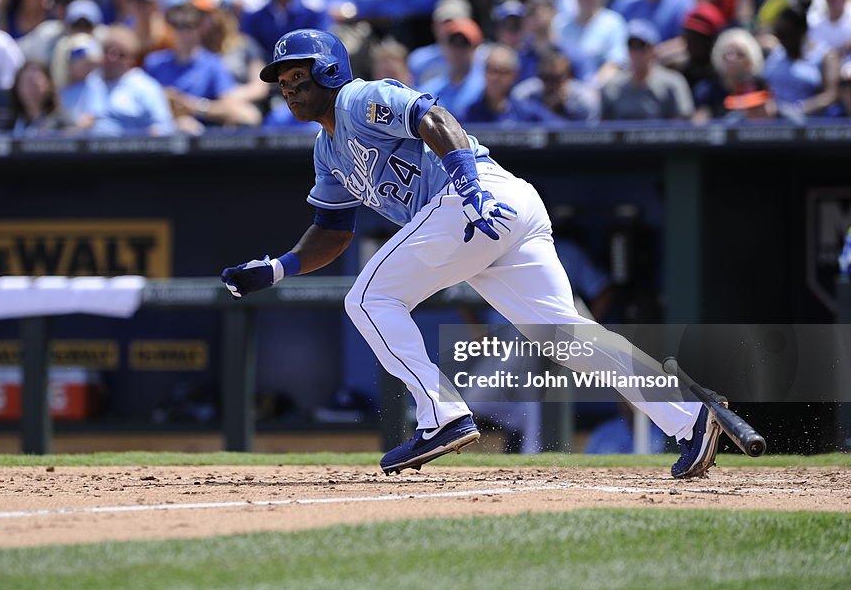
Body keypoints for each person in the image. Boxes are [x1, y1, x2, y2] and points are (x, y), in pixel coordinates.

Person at [220, 28, 718, 478]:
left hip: (471, 195)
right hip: (497, 209)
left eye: (297, 76)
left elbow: (431, 115)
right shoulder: (326, 150)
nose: (287, 88)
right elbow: (333, 229)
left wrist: (467, 182)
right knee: (566, 335)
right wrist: (280, 267)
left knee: (368, 300)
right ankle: (689, 417)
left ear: (329, 72)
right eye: (281, 81)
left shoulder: (358, 98)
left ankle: (442, 415)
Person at [74, 24, 175, 135]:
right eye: (107, 51)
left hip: (132, 149)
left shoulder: (146, 87)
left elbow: (164, 127)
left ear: (131, 59)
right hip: (91, 149)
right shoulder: (91, 81)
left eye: (120, 54)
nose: (111, 58)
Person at [601, 20, 694, 121]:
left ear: (653, 50)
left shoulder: (673, 83)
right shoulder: (613, 87)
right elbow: (603, 126)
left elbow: (684, 121)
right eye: (631, 46)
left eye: (641, 46)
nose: (636, 53)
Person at [509, 48, 600, 124]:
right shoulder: (525, 96)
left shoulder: (584, 100)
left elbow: (588, 136)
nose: (550, 84)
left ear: (568, 77)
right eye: (545, 78)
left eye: (555, 78)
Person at [9, 60, 71, 135]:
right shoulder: (9, 124)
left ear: (48, 85)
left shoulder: (62, 122)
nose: (31, 90)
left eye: (35, 84)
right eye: (26, 83)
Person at [463, 43, 518, 123]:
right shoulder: (468, 113)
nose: (495, 77)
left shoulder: (529, 115)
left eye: (502, 72)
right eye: (491, 70)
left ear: (513, 75)